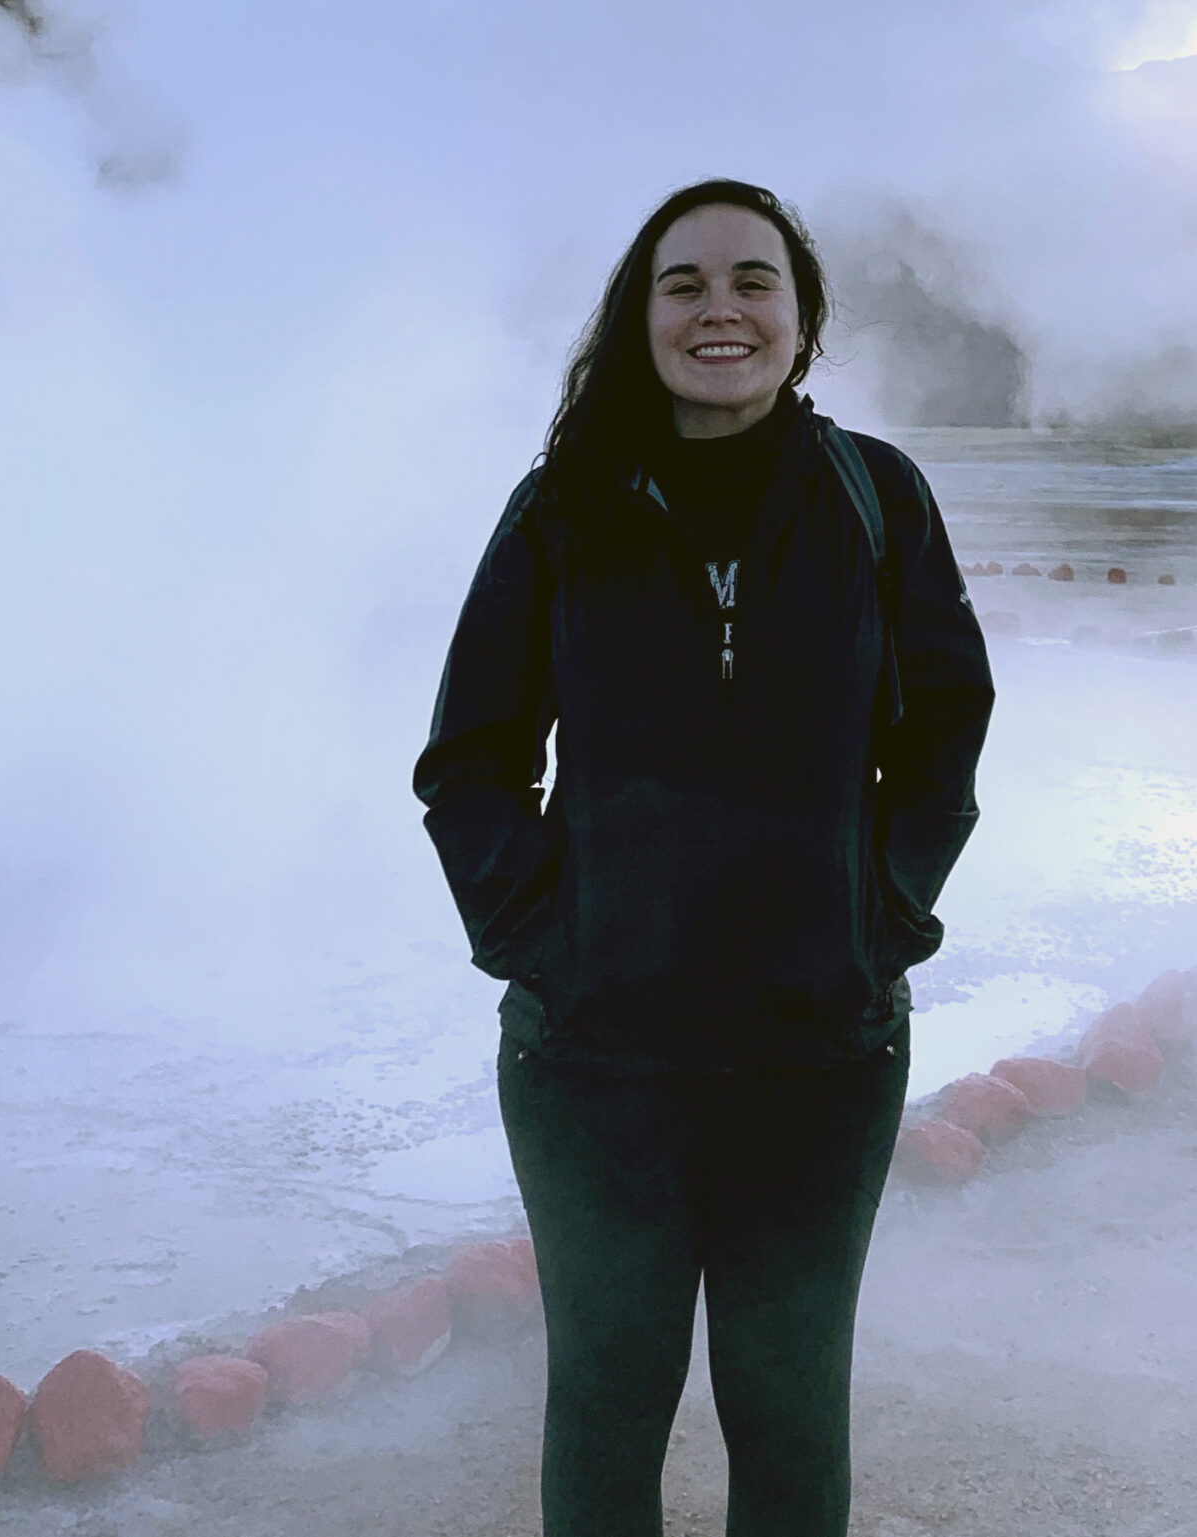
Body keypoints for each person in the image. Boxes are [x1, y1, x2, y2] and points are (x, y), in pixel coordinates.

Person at [412, 179, 994, 1537]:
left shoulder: (875, 496)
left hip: (822, 1049)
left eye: (752, 281)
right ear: (641, 316)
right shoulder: (565, 505)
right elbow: (471, 759)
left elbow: (948, 725)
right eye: (683, 284)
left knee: (788, 1405)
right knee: (608, 1399)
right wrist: (543, 942)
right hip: (596, 1059)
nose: (718, 309)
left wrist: (883, 913)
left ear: (801, 320)